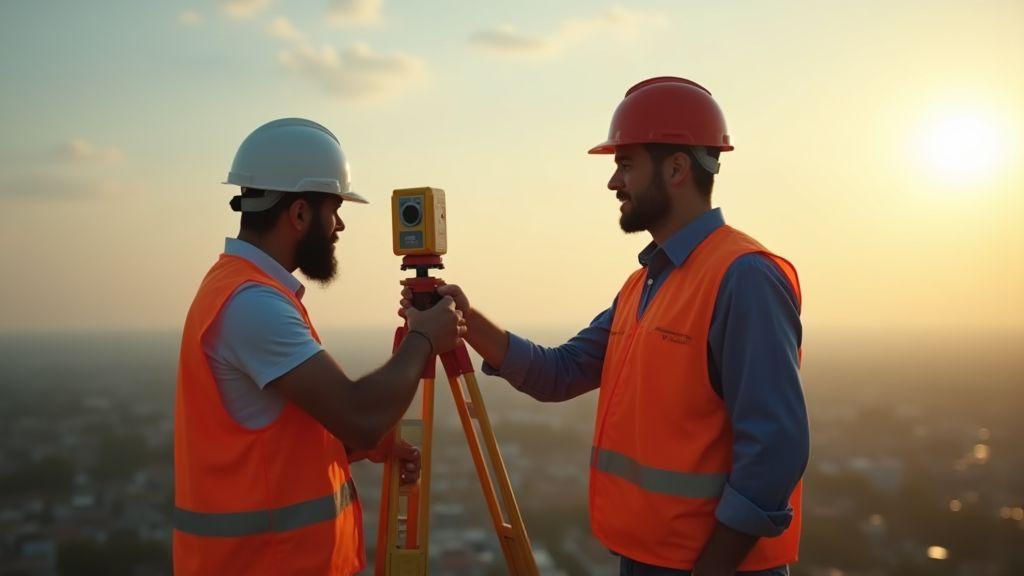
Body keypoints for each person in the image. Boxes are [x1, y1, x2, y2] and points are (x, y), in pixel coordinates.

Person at [407, 78, 809, 575]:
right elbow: (560, 372)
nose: (613, 182)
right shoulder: (643, 285)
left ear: (678, 169)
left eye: (625, 164)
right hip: (646, 560)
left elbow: (775, 449)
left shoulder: (743, 277)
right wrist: (463, 319)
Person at [174, 118, 465, 575]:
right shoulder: (253, 305)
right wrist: (424, 337)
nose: (340, 225)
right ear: (300, 215)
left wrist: (354, 448)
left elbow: (276, 441)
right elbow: (362, 416)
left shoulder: (241, 289)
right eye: (335, 209)